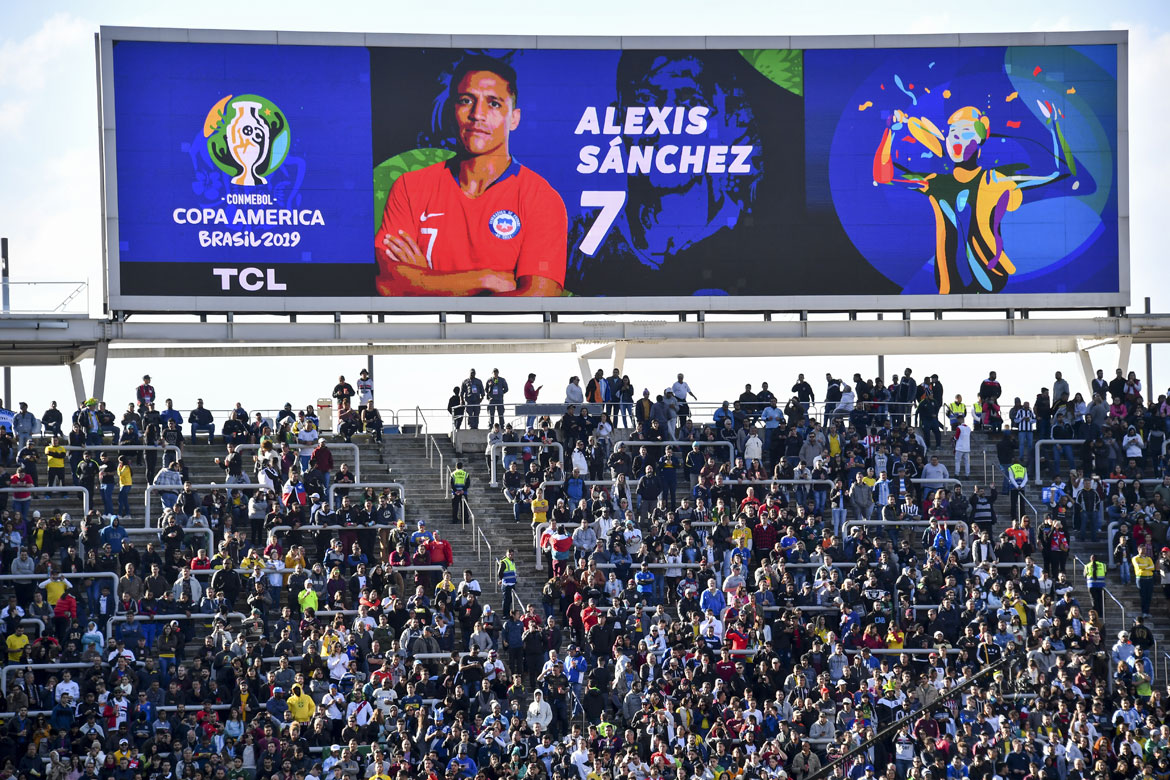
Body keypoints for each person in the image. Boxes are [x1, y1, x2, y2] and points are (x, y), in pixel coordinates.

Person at [375, 54, 568, 296]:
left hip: (504, 336)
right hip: (425, 334)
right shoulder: (411, 187)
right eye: (467, 100)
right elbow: (390, 284)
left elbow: (539, 297)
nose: (478, 114)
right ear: (451, 110)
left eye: (494, 104)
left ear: (514, 119)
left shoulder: (540, 198)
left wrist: (425, 281)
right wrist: (487, 280)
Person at [874, 103, 1069, 294]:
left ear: (981, 138)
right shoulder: (934, 183)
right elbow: (883, 177)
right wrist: (890, 132)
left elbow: (1059, 171)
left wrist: (1054, 125)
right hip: (948, 285)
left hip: (991, 278)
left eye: (966, 131)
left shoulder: (994, 180)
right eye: (952, 132)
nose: (957, 137)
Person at [497, 548, 518, 614]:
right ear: (506, 554)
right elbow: (500, 572)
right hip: (506, 584)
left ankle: (509, 613)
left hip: (512, 583)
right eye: (509, 554)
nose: (511, 556)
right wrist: (502, 580)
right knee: (506, 600)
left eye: (512, 554)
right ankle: (505, 614)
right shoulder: (504, 562)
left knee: (510, 600)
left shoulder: (512, 562)